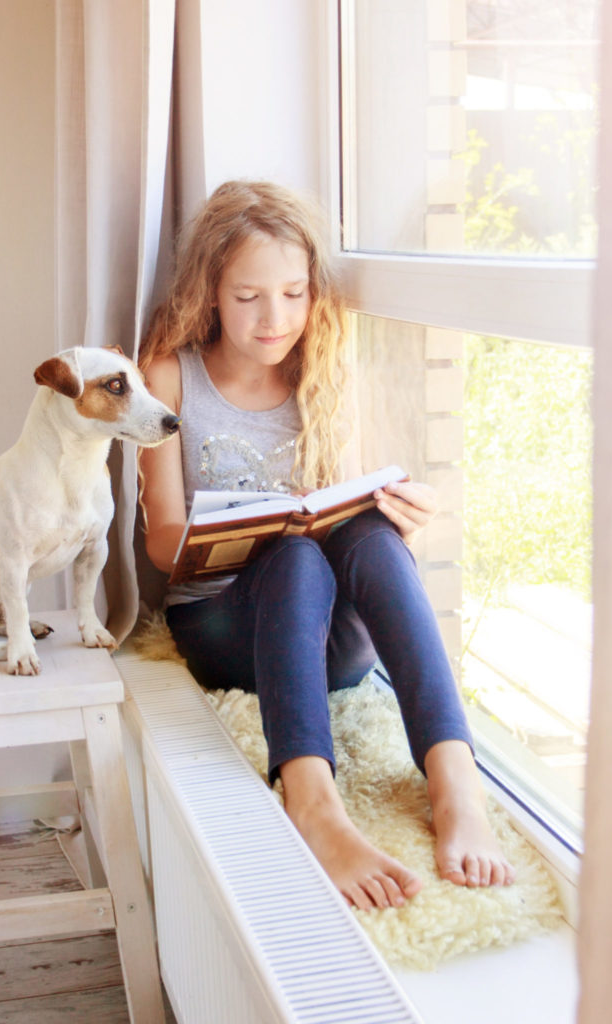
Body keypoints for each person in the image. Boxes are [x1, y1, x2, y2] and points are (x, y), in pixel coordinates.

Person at [137, 180, 515, 911]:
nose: (274, 318)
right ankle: (313, 802)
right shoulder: (170, 377)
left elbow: (342, 515)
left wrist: (398, 514)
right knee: (292, 553)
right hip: (220, 623)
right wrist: (242, 536)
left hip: (322, 641)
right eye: (248, 297)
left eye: (292, 293)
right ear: (210, 292)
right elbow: (159, 545)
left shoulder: (324, 373)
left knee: (365, 535)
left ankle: (453, 778)